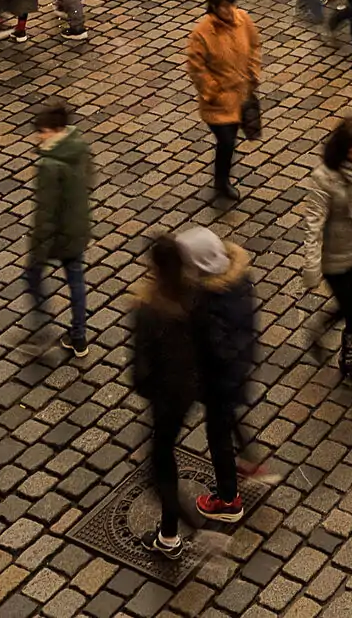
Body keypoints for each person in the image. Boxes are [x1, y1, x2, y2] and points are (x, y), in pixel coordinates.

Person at [176, 225, 259, 525]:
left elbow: (212, 349)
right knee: (231, 417)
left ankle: (227, 499)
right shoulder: (238, 282)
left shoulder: (207, 304)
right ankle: (249, 460)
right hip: (237, 371)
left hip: (218, 382)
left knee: (218, 436)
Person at [128, 235, 205, 553]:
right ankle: (172, 530)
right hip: (189, 388)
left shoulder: (148, 309)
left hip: (166, 395)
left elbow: (141, 371)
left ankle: (179, 529)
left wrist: (149, 390)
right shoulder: (194, 294)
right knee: (163, 453)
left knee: (158, 463)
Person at [301, 115, 352, 385]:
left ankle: (346, 356)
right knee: (351, 308)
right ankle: (344, 357)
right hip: (335, 258)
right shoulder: (324, 179)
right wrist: (311, 267)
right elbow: (314, 224)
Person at [26, 99, 92, 356]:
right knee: (76, 280)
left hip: (59, 235)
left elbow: (45, 213)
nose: (38, 138)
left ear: (55, 130)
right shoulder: (79, 147)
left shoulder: (48, 166)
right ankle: (79, 337)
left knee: (32, 278)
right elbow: (89, 180)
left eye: (41, 132)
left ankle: (42, 328)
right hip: (78, 227)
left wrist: (37, 249)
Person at [187, 0, 260, 204]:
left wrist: (253, 73)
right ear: (214, 7)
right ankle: (222, 182)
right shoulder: (202, 34)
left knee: (230, 141)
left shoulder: (243, 20)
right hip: (217, 102)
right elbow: (196, 67)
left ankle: (222, 178)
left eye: (231, 5)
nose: (228, 11)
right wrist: (213, 92)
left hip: (240, 96)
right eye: (223, 6)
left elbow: (255, 46)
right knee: (227, 141)